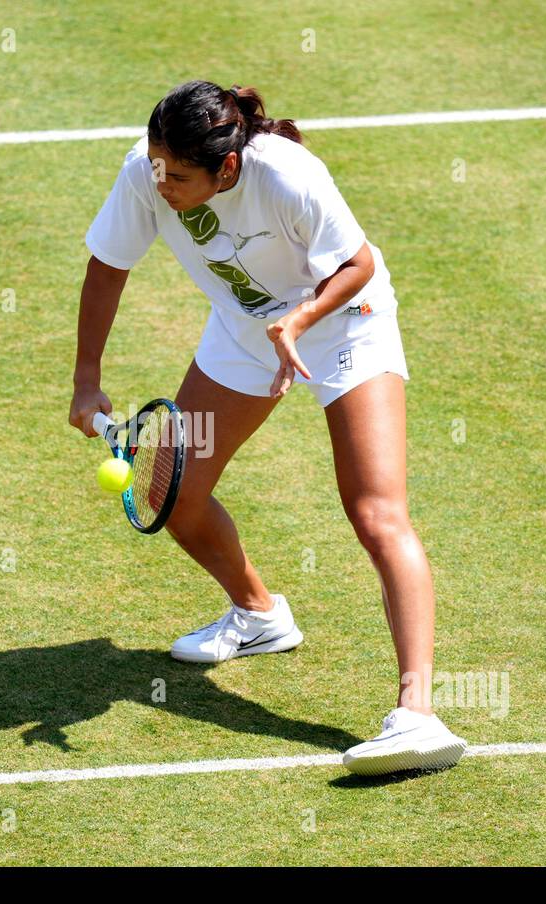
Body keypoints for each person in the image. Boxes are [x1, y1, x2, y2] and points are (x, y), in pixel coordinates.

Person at [68, 80, 466, 775]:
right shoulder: (145, 172)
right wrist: (86, 379)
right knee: (175, 498)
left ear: (227, 168)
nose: (161, 184)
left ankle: (417, 715)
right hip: (246, 333)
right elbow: (107, 268)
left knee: (375, 511)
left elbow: (358, 263)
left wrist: (301, 320)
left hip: (345, 323)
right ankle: (257, 615)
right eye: (157, 165)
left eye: (179, 175)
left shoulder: (289, 174)